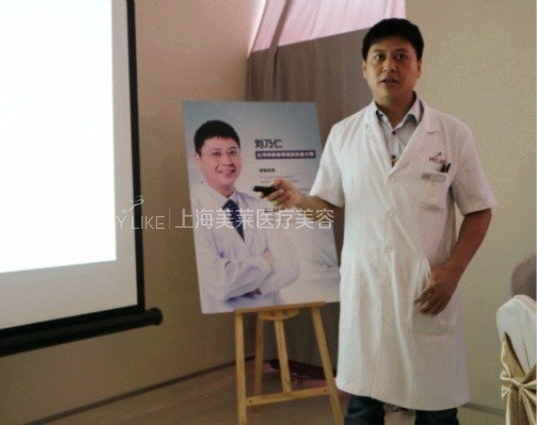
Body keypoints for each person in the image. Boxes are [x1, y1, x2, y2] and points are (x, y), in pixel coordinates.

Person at [266, 18, 495, 424]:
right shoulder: (343, 135)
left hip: (426, 291)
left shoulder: (452, 134)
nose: (389, 65)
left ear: (418, 66)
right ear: (364, 68)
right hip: (367, 293)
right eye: (379, 57)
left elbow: (479, 209)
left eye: (401, 56)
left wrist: (453, 271)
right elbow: (327, 208)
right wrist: (297, 198)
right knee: (362, 408)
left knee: (437, 411)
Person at [191, 120, 299, 313]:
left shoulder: (258, 204)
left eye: (233, 152)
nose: (227, 161)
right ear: (198, 160)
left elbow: (291, 265)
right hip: (223, 318)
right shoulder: (192, 211)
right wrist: (267, 260)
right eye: (216, 154)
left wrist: (250, 285)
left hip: (270, 311)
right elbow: (221, 284)